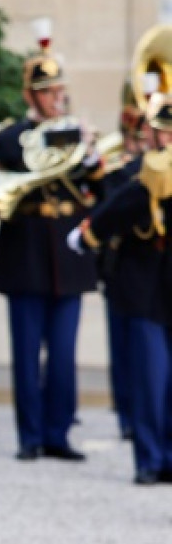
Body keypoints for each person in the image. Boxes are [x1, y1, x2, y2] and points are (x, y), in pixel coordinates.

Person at [0, 20, 101, 461]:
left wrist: (87, 152)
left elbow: (97, 185)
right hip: (26, 256)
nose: (58, 99)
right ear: (32, 96)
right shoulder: (14, 136)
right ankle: (29, 437)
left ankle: (58, 433)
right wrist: (57, 137)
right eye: (49, 92)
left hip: (68, 260)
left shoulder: (74, 134)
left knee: (65, 354)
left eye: (60, 92)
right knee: (26, 352)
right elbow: (10, 153)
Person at [72, 91, 172, 484]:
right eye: (159, 131)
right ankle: (152, 458)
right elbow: (118, 204)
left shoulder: (146, 173)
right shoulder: (140, 171)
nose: (160, 139)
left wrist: (87, 235)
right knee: (151, 377)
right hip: (146, 287)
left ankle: (159, 457)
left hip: (155, 285)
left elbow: (116, 210)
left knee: (159, 378)